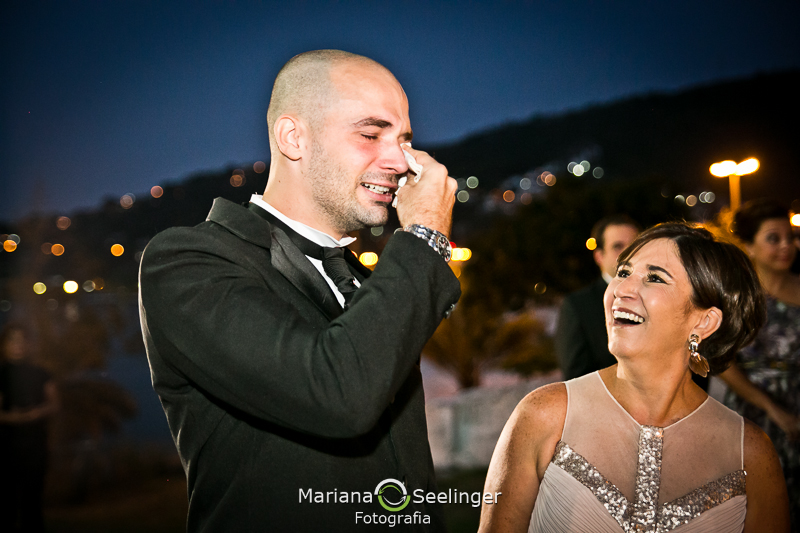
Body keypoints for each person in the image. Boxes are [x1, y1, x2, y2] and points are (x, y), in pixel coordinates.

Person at [138, 50, 460, 531]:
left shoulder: (369, 280)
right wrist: (426, 236)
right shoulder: (188, 260)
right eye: (371, 134)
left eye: (404, 140)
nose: (399, 161)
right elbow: (339, 394)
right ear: (293, 137)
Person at [479, 222, 790, 533]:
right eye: (623, 272)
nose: (620, 289)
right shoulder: (544, 415)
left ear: (704, 322)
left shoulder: (751, 453)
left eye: (654, 278)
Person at [721, 199, 800, 529]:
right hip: (748, 412)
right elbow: (722, 362)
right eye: (773, 238)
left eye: (790, 237)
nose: (786, 246)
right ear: (749, 246)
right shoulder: (733, 296)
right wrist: (772, 409)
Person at [555, 215, 639, 379]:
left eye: (635, 245)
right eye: (618, 246)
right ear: (599, 256)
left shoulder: (659, 296)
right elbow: (576, 377)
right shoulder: (577, 306)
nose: (629, 252)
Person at [0, 323, 59, 533]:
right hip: (6, 447)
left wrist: (36, 413)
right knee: (6, 502)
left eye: (22, 340)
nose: (18, 345)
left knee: (32, 502)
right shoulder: (2, 373)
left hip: (35, 446)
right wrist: (15, 417)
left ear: (29, 344)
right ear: (5, 344)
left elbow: (54, 404)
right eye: (13, 340)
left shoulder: (41, 373)